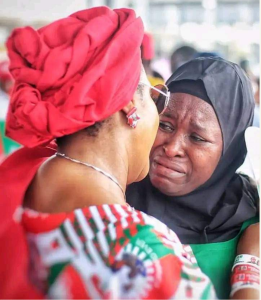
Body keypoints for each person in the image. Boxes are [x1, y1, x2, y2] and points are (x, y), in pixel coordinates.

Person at [0, 7, 216, 299]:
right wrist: (250, 266)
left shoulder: (21, 176)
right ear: (129, 105)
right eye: (155, 98)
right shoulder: (146, 257)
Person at [127, 57, 259, 299]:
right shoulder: (114, 199)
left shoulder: (252, 231)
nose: (172, 148)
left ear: (230, 151)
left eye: (197, 138)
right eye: (165, 125)